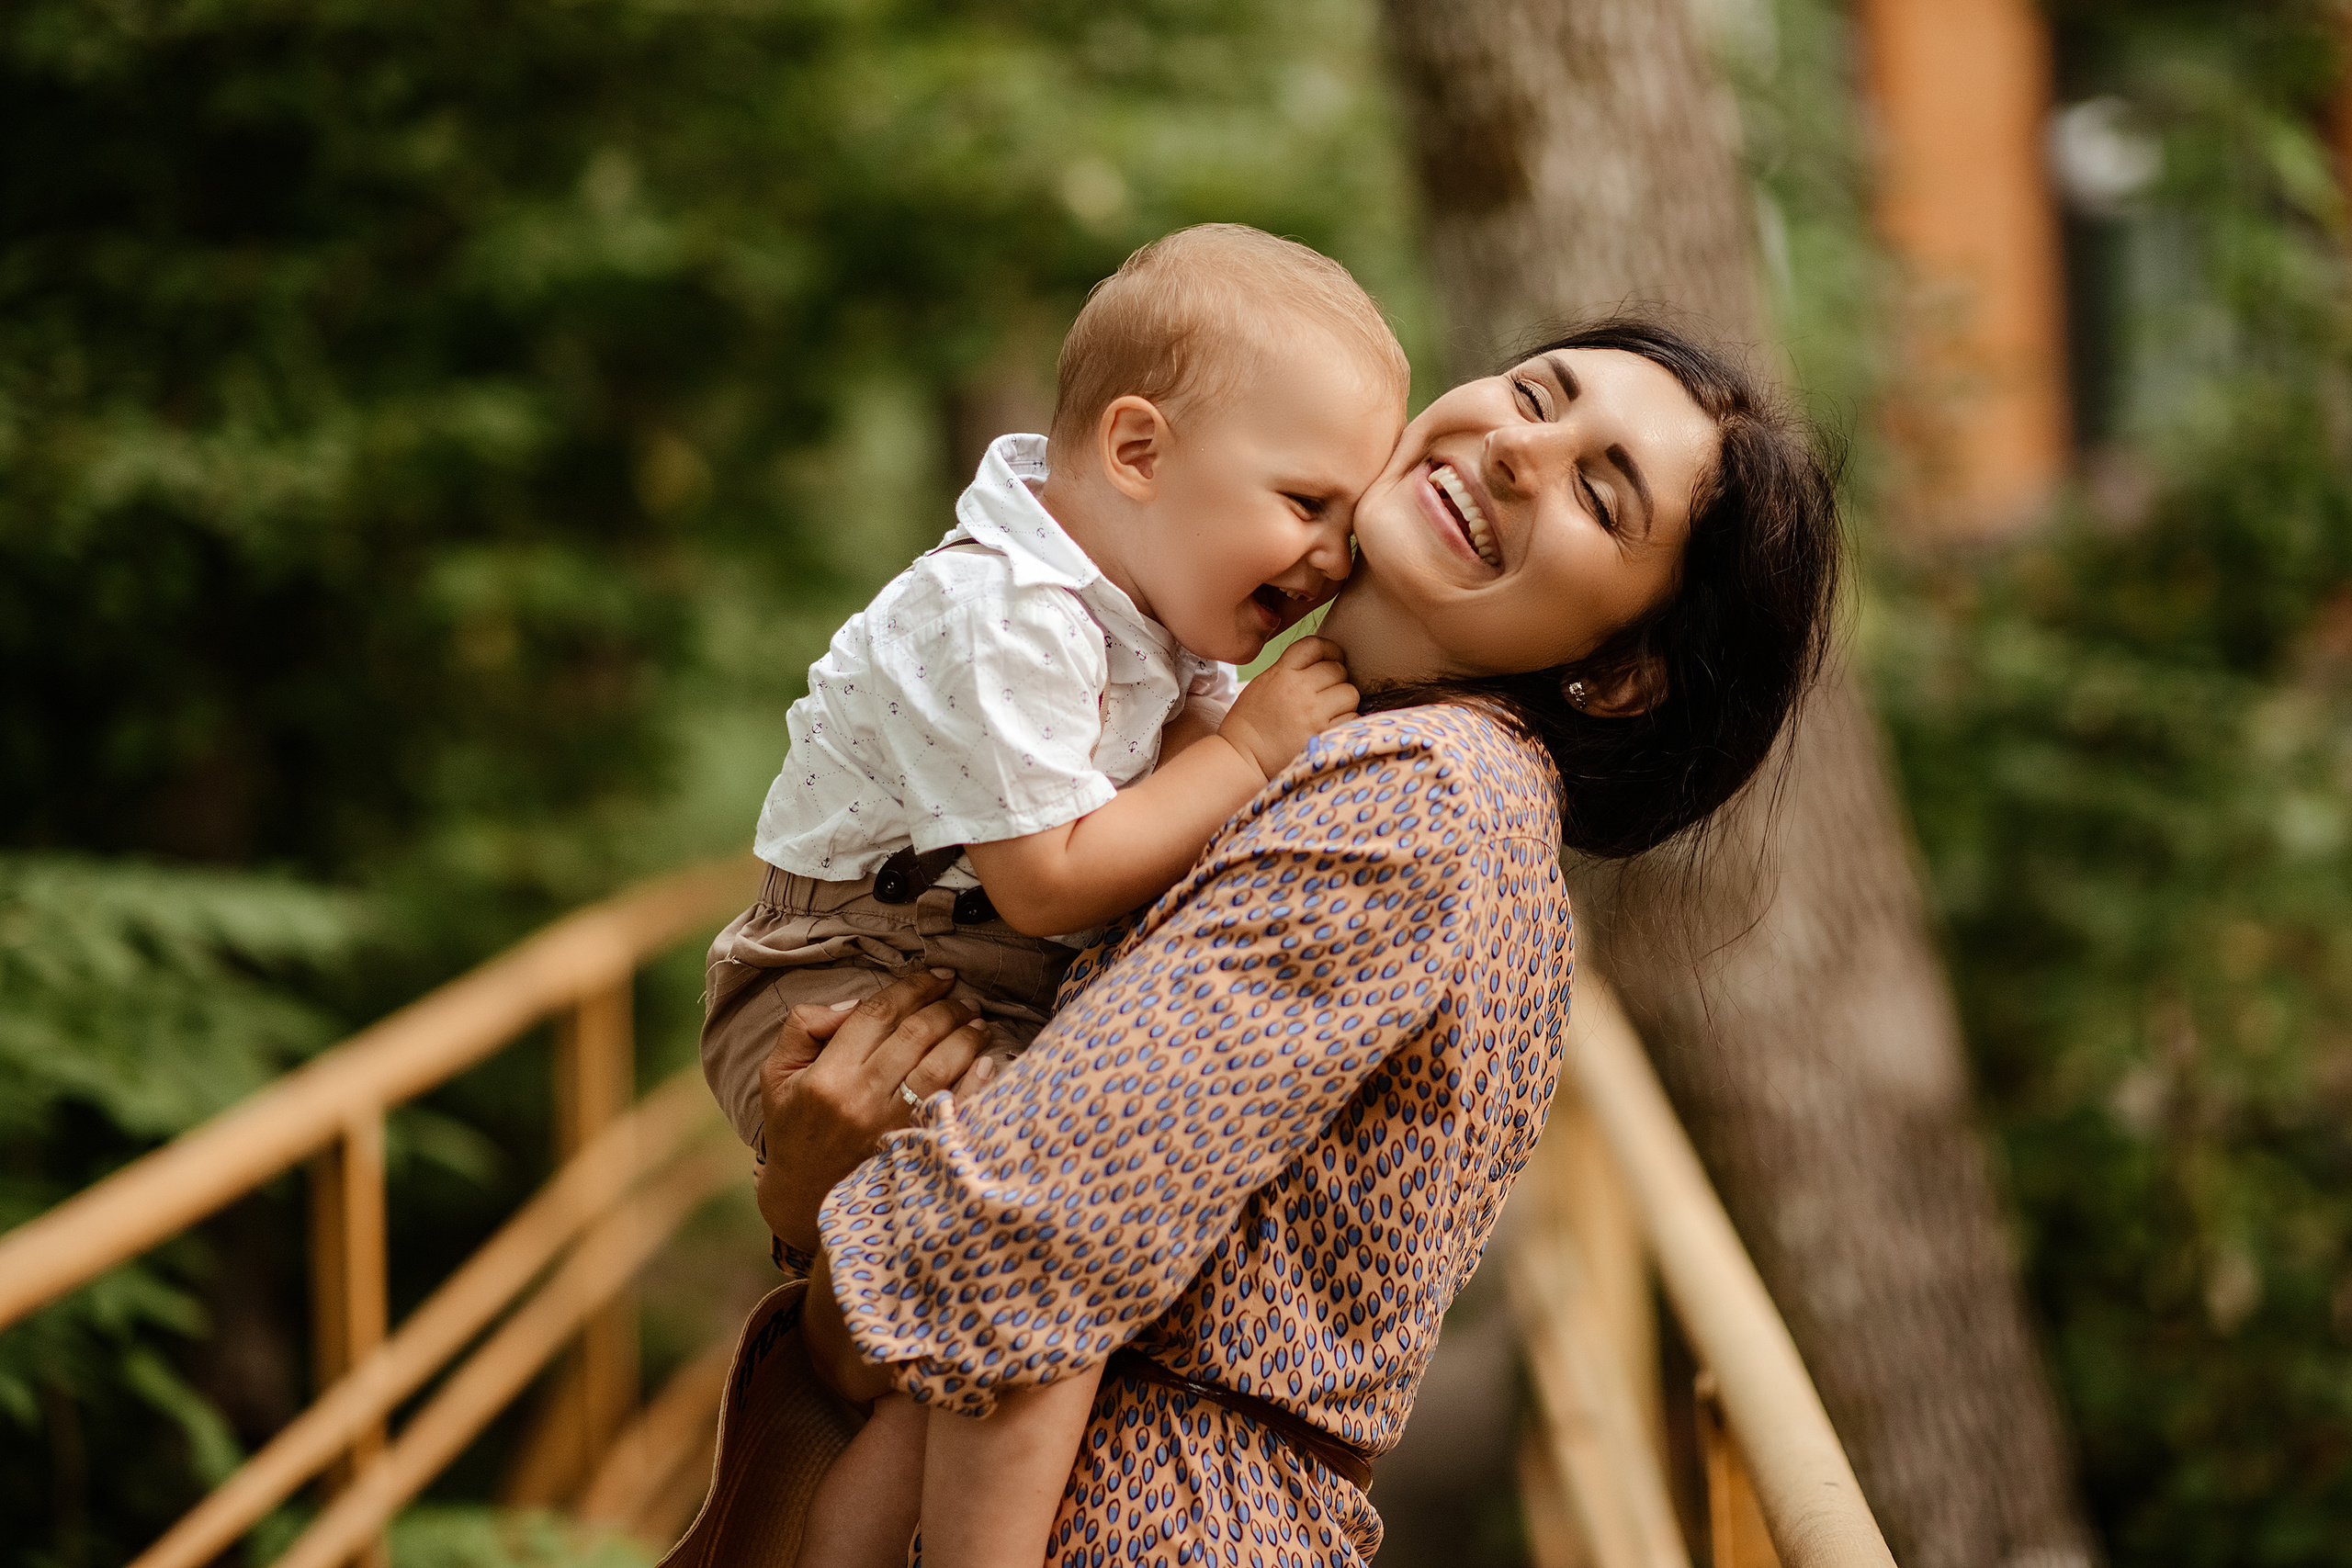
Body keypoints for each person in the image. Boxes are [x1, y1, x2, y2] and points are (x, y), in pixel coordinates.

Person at [748, 315, 1843, 1567]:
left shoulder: (1421, 799)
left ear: (1622, 676)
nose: (1518, 453)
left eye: (1601, 494)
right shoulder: (1291, 743)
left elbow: (1035, 1204)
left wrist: (815, 1211)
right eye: (1536, 395)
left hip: (1145, 1516)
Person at [698, 224, 1410, 1566]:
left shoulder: (1156, 608)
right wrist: (1252, 747)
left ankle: (857, 1534)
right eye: (1306, 504)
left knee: (1037, 1269)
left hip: (984, 983)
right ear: (1138, 454)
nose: (1325, 561)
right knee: (1054, 1226)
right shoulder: (1000, 612)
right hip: (845, 974)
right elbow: (1050, 882)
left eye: (1344, 525)